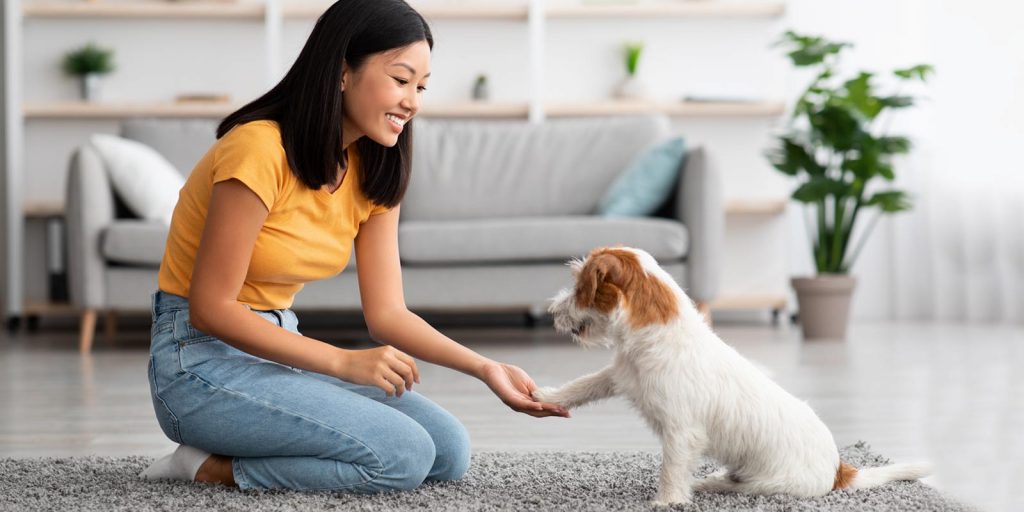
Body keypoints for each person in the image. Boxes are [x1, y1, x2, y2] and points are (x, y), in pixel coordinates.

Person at [140, 0, 567, 492]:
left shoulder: (374, 166)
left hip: (282, 350)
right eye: (401, 80)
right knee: (402, 456)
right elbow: (210, 309)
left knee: (448, 450)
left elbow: (387, 314)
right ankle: (204, 465)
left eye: (422, 87)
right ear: (343, 72)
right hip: (197, 362)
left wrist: (485, 368)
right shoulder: (258, 148)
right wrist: (345, 361)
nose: (414, 102)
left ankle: (257, 439)